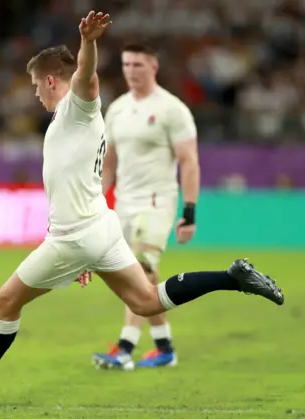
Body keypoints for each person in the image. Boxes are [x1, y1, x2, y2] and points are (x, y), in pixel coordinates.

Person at [0, 11, 284, 400]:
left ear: (50, 80)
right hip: (97, 227)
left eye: (35, 85)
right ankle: (232, 277)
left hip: (77, 236)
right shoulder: (69, 121)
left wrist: (88, 42)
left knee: (5, 301)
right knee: (148, 301)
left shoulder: (75, 110)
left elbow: (87, 78)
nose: (35, 93)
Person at [91, 41, 200, 370]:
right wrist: (94, 200)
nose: (131, 71)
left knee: (140, 268)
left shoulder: (172, 109)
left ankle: (124, 347)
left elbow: (188, 161)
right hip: (124, 203)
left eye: (138, 65)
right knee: (145, 279)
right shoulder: (118, 109)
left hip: (156, 202)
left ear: (154, 66)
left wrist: (189, 212)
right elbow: (108, 163)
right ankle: (165, 347)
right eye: (126, 65)